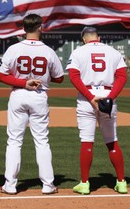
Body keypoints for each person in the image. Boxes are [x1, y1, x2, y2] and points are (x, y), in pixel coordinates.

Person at [0, 14, 64, 195]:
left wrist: (21, 81)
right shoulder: (48, 51)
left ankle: (10, 184)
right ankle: (48, 185)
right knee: (42, 141)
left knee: (14, 141)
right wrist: (42, 77)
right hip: (39, 96)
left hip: (18, 94)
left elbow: (1, 75)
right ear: (40, 27)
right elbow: (59, 78)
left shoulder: (13, 49)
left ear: (24, 28)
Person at [66, 26, 128, 195]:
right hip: (108, 96)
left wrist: (89, 96)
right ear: (98, 38)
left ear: (84, 39)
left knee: (87, 142)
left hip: (88, 98)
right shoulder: (113, 51)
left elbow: (73, 76)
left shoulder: (78, 52)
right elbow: (122, 76)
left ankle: (85, 184)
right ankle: (121, 182)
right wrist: (111, 97)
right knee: (112, 141)